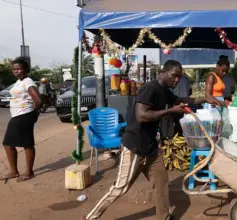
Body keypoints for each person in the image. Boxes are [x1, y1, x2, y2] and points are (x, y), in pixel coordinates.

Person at [84, 60, 223, 220]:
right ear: (163, 72)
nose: (177, 80)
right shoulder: (149, 89)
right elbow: (141, 116)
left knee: (162, 184)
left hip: (151, 148)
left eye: (179, 77)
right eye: (174, 76)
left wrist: (205, 99)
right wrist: (170, 110)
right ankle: (91, 217)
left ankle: (163, 217)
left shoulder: (165, 91)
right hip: (135, 146)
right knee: (120, 188)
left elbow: (181, 100)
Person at [1, 57, 41, 182]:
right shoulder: (19, 82)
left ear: (25, 70)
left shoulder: (27, 82)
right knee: (8, 144)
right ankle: (14, 171)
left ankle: (29, 172)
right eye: (14, 69)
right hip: (17, 116)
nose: (16, 71)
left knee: (27, 143)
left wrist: (34, 114)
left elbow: (38, 100)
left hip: (24, 115)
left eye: (19, 69)